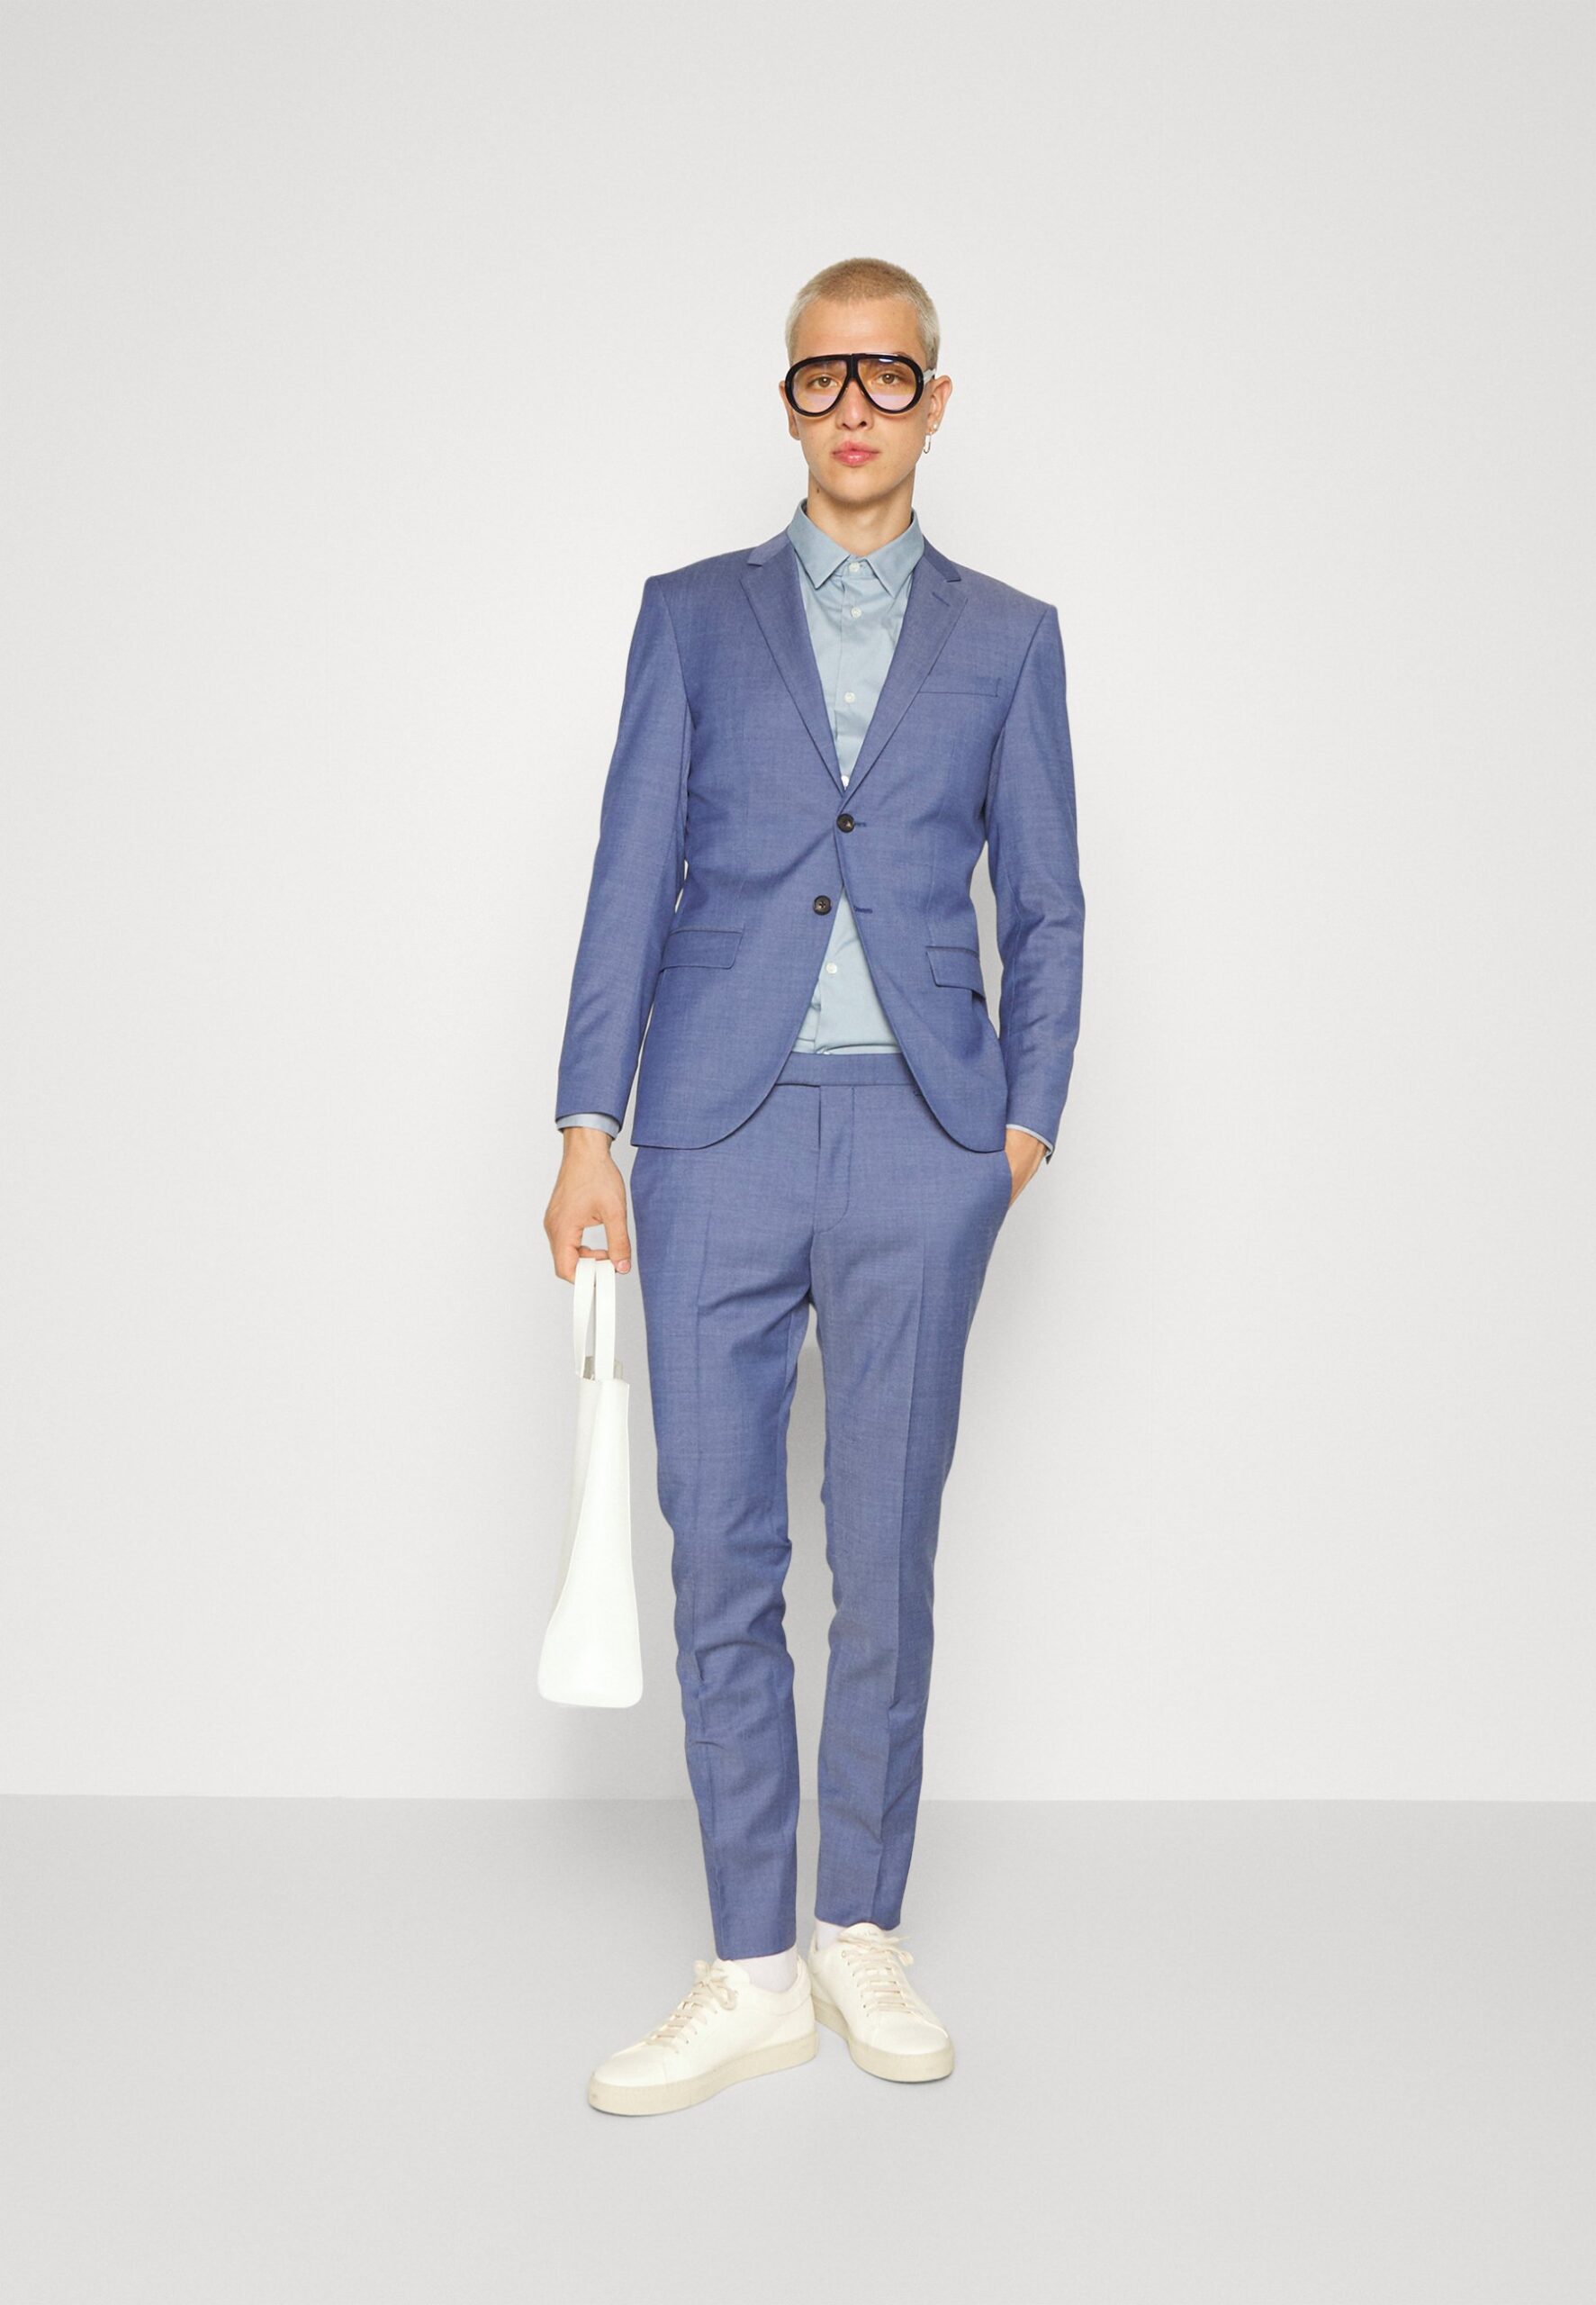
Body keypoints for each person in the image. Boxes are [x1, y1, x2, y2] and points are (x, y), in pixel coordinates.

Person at [545, 255, 1084, 2116]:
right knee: (720, 1550)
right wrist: (587, 1123)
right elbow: (628, 871)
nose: (853, 407)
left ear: (935, 399)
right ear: (786, 402)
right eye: (819, 378)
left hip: (924, 1135)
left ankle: (858, 1926)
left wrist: (1019, 1128)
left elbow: (1047, 902)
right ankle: (751, 1965)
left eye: (886, 376)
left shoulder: (1011, 638)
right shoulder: (690, 616)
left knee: (884, 1553)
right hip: (711, 1131)